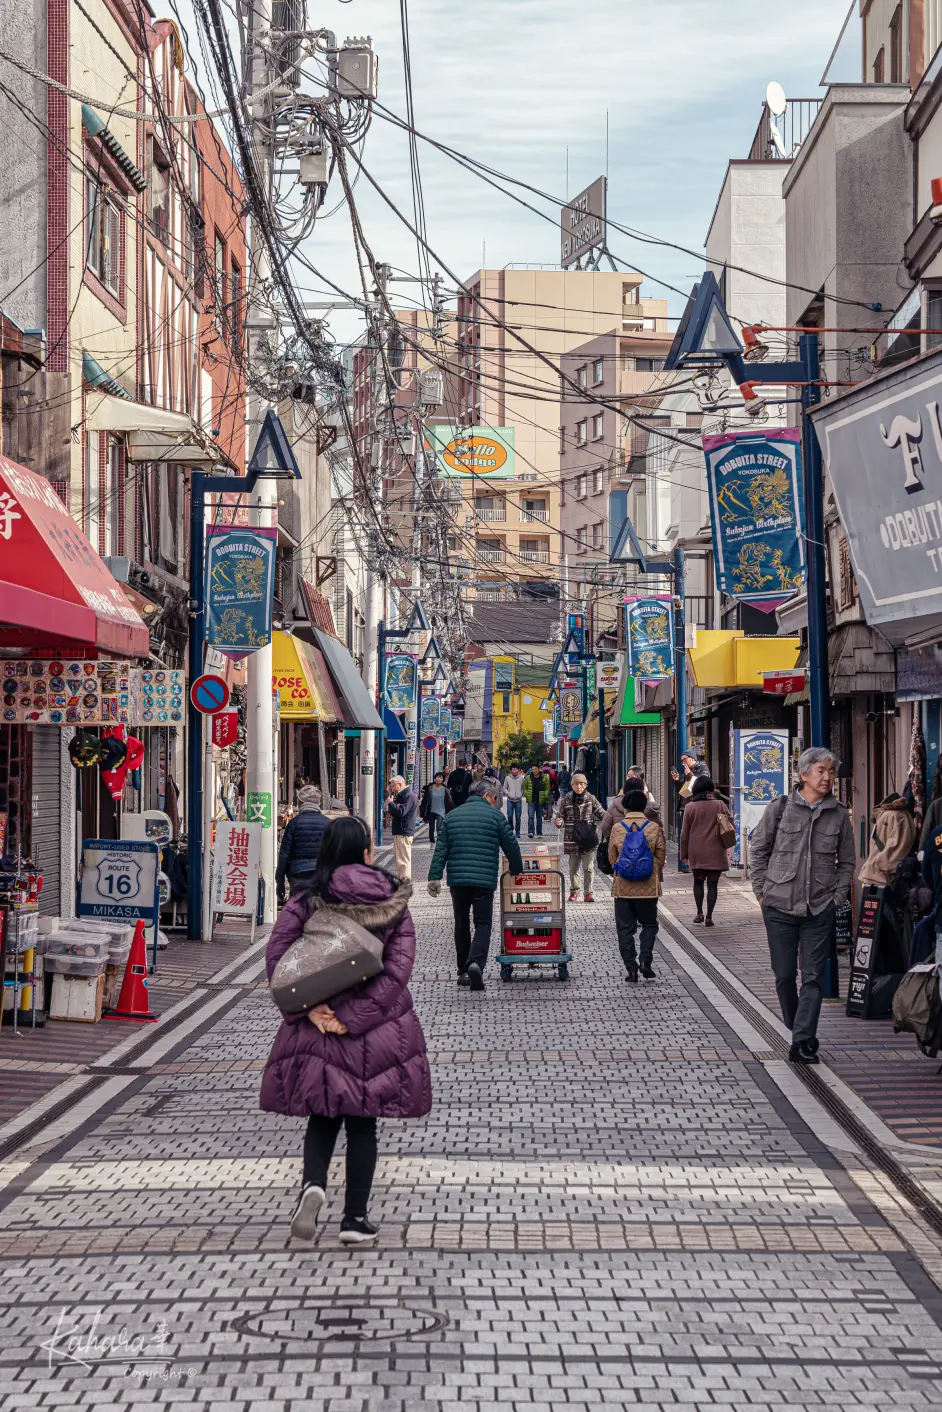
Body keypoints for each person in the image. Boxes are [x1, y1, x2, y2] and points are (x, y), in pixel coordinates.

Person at [261, 816, 432, 1245]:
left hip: (317, 1027)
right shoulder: (392, 898)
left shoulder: (306, 898)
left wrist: (311, 1010)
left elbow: (277, 957)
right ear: (366, 853)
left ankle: (313, 1185)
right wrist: (354, 1017)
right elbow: (398, 970)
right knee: (362, 1124)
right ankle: (355, 1219)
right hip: (374, 1030)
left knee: (322, 1115)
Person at [749, 747, 856, 1066]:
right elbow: (759, 851)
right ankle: (800, 1030)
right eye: (821, 771)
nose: (827, 777)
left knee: (813, 977)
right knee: (783, 976)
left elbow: (847, 862)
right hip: (779, 906)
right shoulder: (780, 808)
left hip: (818, 909)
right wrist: (761, 894)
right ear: (804, 774)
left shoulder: (838, 813)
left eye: (831, 772)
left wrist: (834, 899)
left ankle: (802, 1040)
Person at [427, 778, 523, 991]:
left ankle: (463, 971)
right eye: (495, 797)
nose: (495, 801)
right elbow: (512, 847)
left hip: (458, 881)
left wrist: (434, 877)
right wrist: (516, 869)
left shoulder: (452, 817)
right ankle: (475, 963)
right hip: (484, 881)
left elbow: (440, 849)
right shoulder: (496, 817)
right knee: (482, 924)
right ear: (487, 795)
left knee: (461, 924)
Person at [608, 787, 667, 982]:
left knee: (625, 928)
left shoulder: (617, 829)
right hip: (648, 888)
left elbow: (612, 857)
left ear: (625, 807)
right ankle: (645, 961)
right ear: (644, 806)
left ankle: (631, 969)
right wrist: (650, 871)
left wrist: (622, 869)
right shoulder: (653, 827)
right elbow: (660, 856)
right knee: (649, 924)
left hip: (623, 887)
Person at [680, 775, 730, 926]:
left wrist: (684, 854)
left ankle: (699, 913)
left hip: (696, 851)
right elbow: (729, 824)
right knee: (713, 885)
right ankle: (709, 916)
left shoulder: (690, 807)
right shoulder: (720, 804)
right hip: (716, 850)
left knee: (698, 882)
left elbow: (684, 834)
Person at [555, 772, 606, 902]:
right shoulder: (566, 799)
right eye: (576, 784)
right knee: (573, 868)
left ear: (585, 785)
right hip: (572, 839)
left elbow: (602, 814)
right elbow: (560, 816)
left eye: (581, 784)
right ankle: (574, 891)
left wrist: (612, 821)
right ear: (572, 785)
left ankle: (588, 893)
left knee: (588, 868)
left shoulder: (591, 799)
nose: (578, 786)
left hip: (588, 838)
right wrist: (559, 821)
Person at [276, 784, 328, 905]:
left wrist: (280, 882)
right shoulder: (328, 823)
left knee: (298, 909)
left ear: (300, 803)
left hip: (298, 874)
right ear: (318, 803)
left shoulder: (294, 823)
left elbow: (284, 855)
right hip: (321, 873)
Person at [386, 775, 418, 880]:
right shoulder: (401, 795)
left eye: (393, 786)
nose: (392, 789)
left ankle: (405, 883)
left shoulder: (408, 795)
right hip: (400, 830)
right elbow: (395, 811)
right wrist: (392, 805)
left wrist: (391, 803)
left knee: (403, 860)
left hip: (404, 831)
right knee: (400, 860)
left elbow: (401, 812)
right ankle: (403, 881)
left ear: (400, 784)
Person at [419, 772, 453, 845]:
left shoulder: (445, 789)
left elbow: (449, 801)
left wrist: (451, 810)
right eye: (437, 777)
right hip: (431, 810)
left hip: (441, 810)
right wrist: (422, 812)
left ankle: (439, 842)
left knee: (439, 827)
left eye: (440, 777)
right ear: (435, 778)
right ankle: (432, 841)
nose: (438, 779)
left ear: (443, 779)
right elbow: (425, 800)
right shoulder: (430, 788)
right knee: (431, 827)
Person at [522, 764, 550, 838]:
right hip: (531, 800)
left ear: (538, 769)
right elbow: (524, 787)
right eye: (533, 769)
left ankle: (539, 833)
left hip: (540, 800)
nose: (534, 771)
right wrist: (526, 794)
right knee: (530, 816)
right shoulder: (528, 778)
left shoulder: (544, 777)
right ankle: (531, 832)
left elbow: (547, 787)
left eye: (535, 769)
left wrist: (545, 795)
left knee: (539, 817)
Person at [502, 763, 524, 838]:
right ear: (511, 770)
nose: (514, 771)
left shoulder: (521, 778)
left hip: (518, 800)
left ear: (518, 770)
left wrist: (521, 795)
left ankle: (517, 831)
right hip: (510, 800)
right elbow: (504, 788)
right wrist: (508, 794)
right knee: (510, 816)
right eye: (513, 769)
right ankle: (511, 828)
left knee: (518, 817)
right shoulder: (507, 778)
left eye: (516, 769)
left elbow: (523, 788)